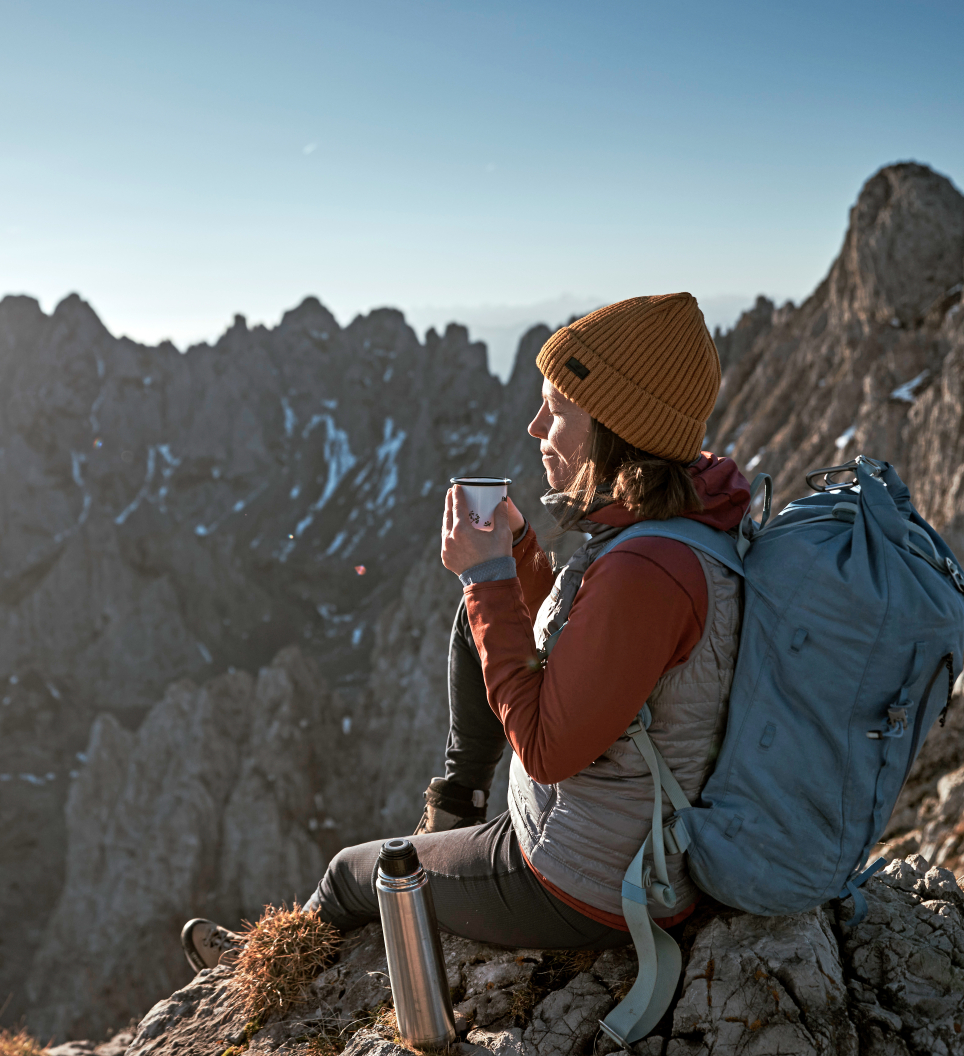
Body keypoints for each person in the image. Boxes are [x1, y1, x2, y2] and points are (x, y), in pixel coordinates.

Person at [182, 291, 749, 971]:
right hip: (613, 842)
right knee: (473, 617)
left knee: (350, 874)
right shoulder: (673, 533)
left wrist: (486, 577)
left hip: (588, 882)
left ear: (614, 427)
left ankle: (261, 971)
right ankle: (455, 812)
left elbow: (545, 748)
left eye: (557, 410)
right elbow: (593, 648)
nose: (535, 426)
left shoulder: (648, 572)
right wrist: (520, 556)